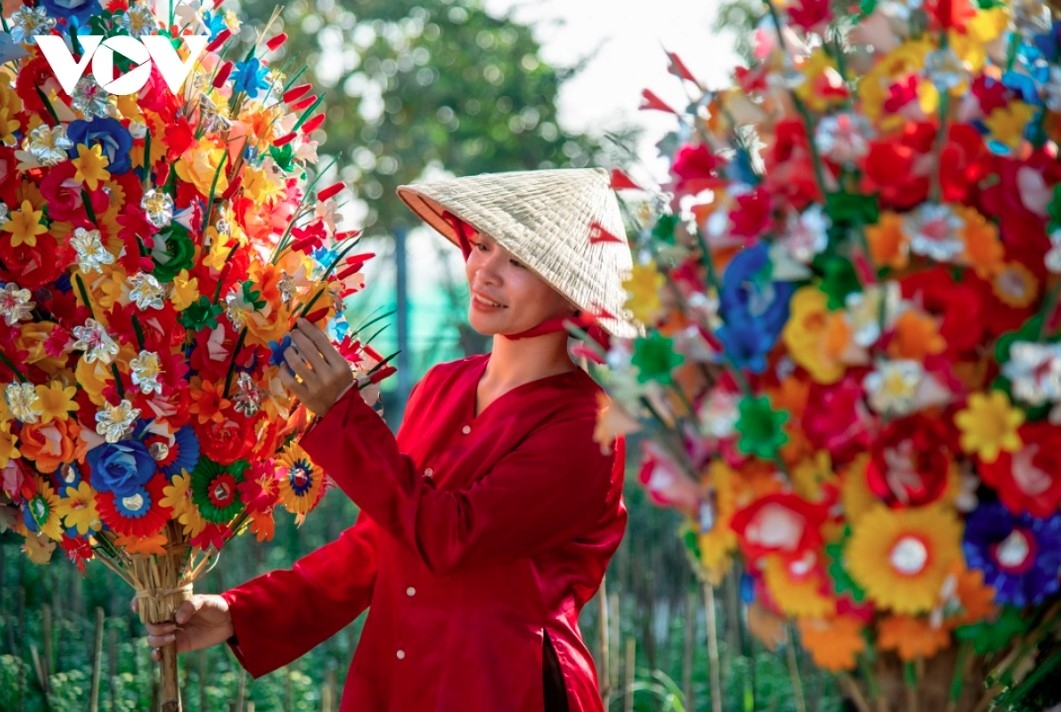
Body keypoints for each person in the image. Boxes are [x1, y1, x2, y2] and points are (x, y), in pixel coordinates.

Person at [143, 167, 638, 711]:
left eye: (518, 261)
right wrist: (240, 614)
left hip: (506, 687)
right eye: (481, 245)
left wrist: (341, 414)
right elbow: (378, 546)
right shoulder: (444, 385)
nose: (484, 272)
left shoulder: (586, 426)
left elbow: (452, 536)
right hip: (396, 681)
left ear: (572, 293)